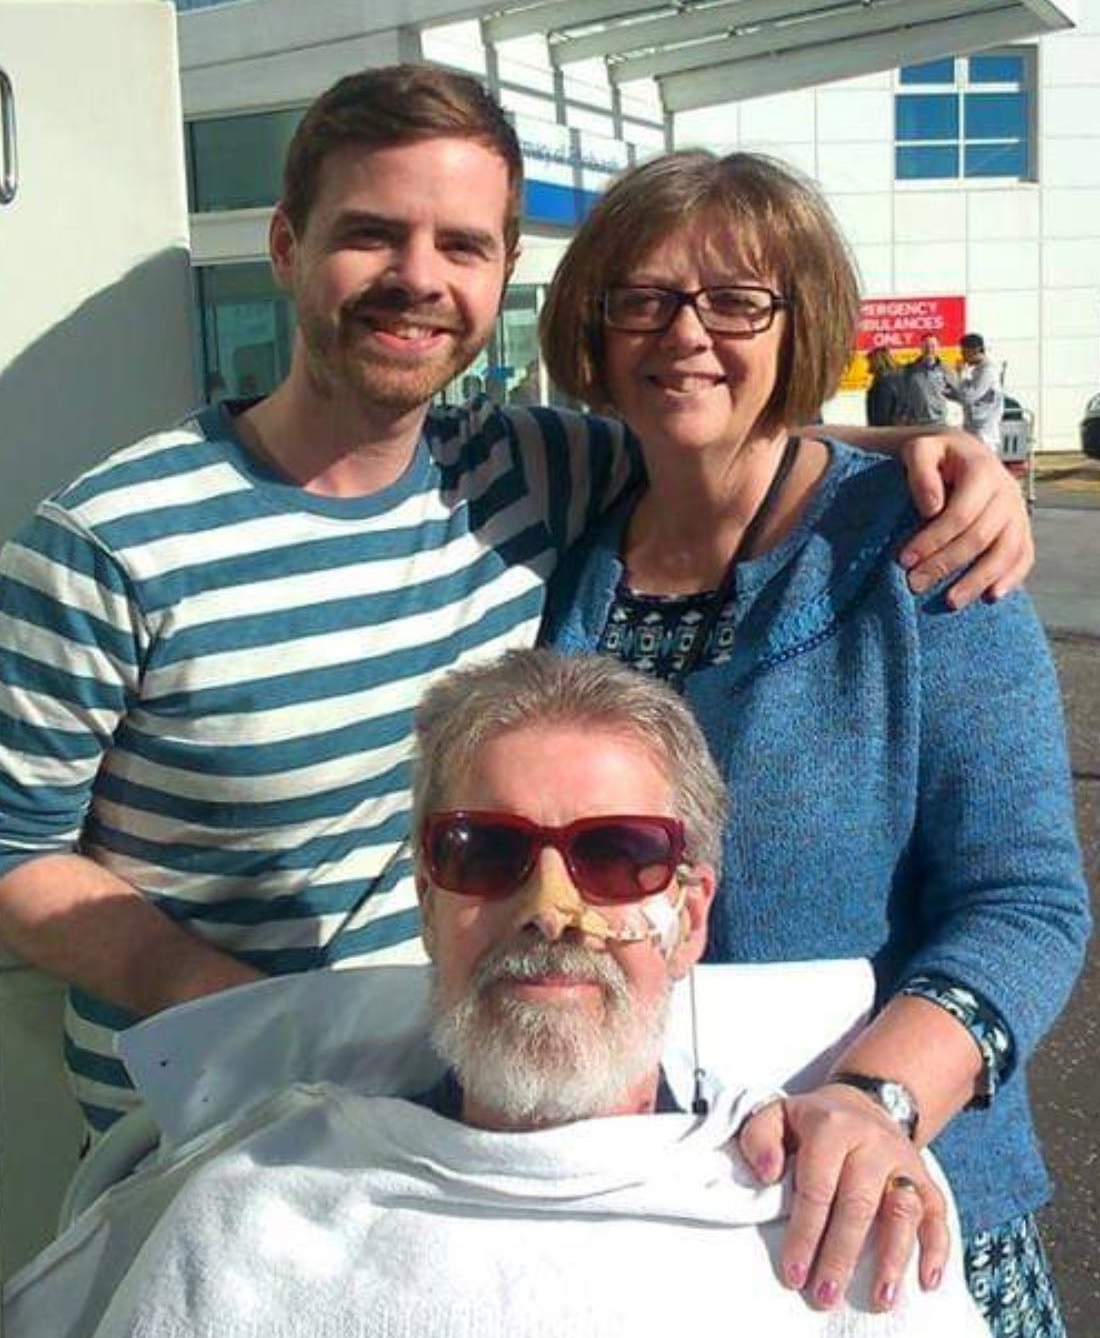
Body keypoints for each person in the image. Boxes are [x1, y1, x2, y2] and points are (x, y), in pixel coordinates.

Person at [0, 65, 1032, 1141]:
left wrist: (928, 451)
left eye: (461, 245)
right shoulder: (108, 542)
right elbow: (11, 854)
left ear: (503, 273)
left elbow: (713, 424)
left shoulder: (523, 471)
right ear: (284, 245)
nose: (417, 277)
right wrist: (241, 1006)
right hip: (210, 1124)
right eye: (370, 233)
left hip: (472, 1112)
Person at [4, 650, 989, 1338]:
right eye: (487, 851)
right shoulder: (249, 1213)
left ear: (691, 916)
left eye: (617, 854)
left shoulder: (843, 1223)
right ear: (429, 902)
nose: (550, 908)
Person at [538, 149, 1089, 1338]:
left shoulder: (922, 550)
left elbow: (1027, 902)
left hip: (887, 1207)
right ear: (596, 326)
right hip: (629, 1206)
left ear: (802, 328)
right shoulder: (563, 554)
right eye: (644, 296)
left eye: (737, 301)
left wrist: (874, 1096)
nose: (686, 332)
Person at [952, 333, 1005, 454]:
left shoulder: (987, 371)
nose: (962, 357)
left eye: (964, 352)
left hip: (984, 433)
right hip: (974, 428)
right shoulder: (978, 371)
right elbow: (967, 395)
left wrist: (961, 375)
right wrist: (952, 394)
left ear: (975, 350)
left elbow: (969, 397)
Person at [901, 333, 959, 425]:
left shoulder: (946, 370)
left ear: (938, 348)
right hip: (915, 422)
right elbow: (901, 394)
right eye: (926, 346)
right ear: (921, 347)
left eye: (933, 346)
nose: (929, 349)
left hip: (938, 422)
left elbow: (957, 393)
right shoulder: (909, 370)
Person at [865, 347, 905, 426]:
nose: (869, 366)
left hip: (887, 431)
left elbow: (881, 414)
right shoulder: (900, 377)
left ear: (877, 362)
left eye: (870, 362)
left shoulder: (883, 383)